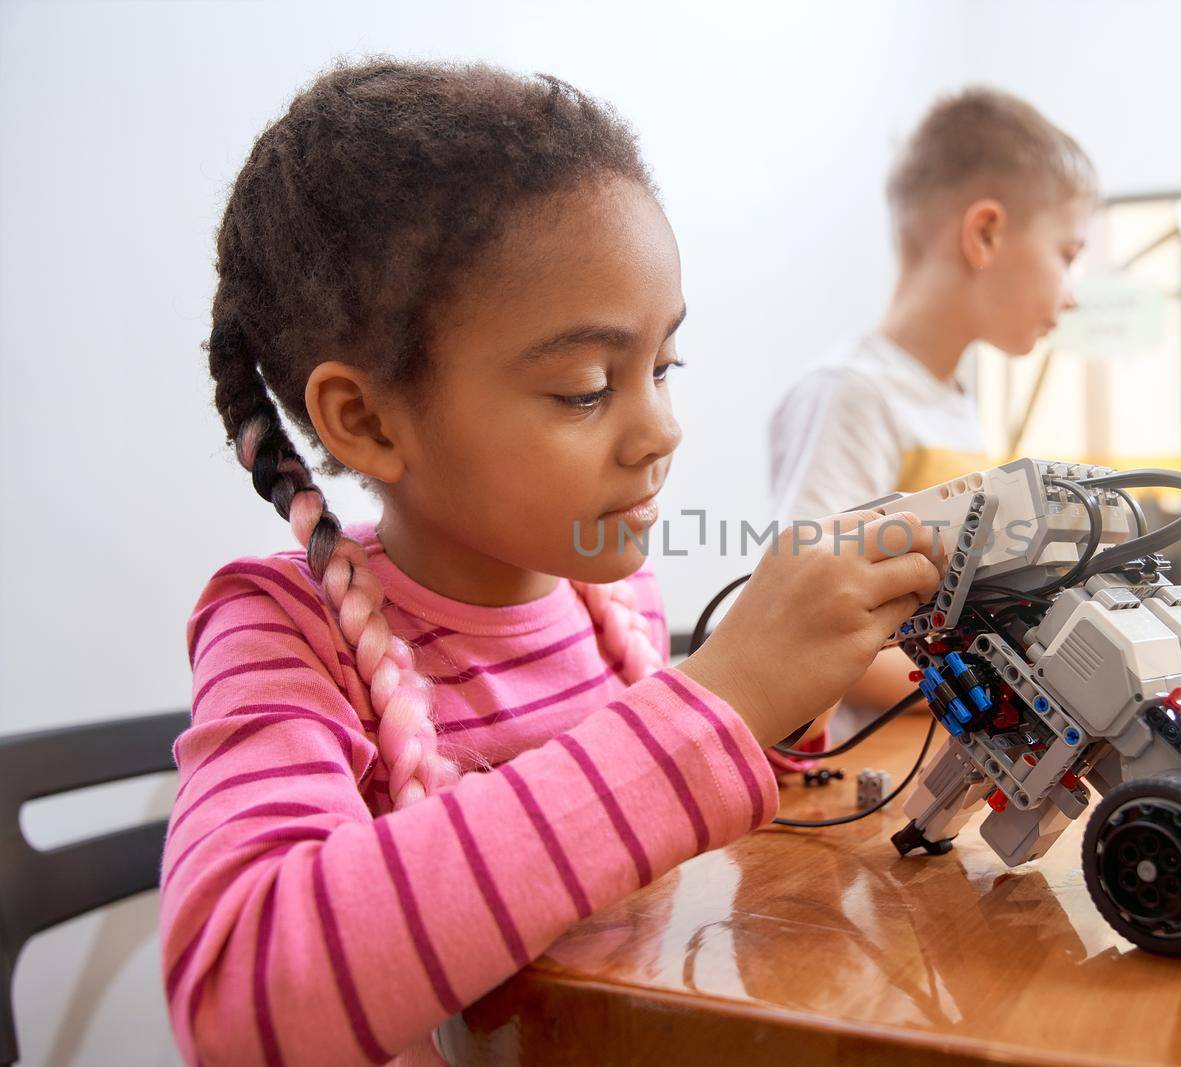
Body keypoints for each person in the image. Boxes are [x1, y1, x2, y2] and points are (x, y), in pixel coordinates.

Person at [162, 60, 939, 1067]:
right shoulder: (282, 627)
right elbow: (239, 996)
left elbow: (648, 861)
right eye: (583, 388)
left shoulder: (615, 600)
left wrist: (778, 708)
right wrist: (719, 699)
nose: (661, 429)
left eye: (664, 367)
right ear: (365, 420)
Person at [769, 87, 1096, 715]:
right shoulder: (853, 395)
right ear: (986, 234)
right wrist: (1024, 693)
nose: (1072, 295)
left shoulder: (951, 401)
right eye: (1067, 255)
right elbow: (808, 631)